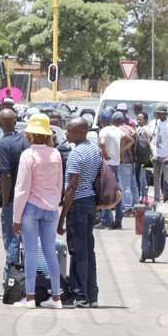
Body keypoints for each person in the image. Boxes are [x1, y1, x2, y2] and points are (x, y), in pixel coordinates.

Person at [12, 114, 65, 309]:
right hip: (51, 209)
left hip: (31, 208)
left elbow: (22, 188)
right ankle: (57, 297)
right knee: (51, 252)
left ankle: (30, 298)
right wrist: (54, 203)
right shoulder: (55, 154)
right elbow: (59, 184)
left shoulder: (28, 155)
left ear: (31, 134)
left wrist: (16, 217)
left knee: (31, 251)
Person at [58, 118, 101, 308]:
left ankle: (79, 295)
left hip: (78, 204)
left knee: (77, 251)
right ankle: (92, 295)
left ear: (83, 131)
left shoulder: (76, 154)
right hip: (90, 202)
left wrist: (62, 218)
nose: (66, 134)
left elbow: (71, 188)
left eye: (70, 131)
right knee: (88, 251)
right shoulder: (93, 148)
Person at [0, 107, 29, 296]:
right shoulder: (24, 141)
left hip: (12, 200)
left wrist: (5, 201)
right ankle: (26, 282)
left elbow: (5, 175)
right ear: (15, 122)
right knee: (25, 242)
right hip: (27, 199)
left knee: (12, 243)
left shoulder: (3, 145)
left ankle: (9, 282)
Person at [151, 106, 168, 203]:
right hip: (157, 153)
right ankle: (156, 199)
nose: (157, 115)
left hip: (165, 155)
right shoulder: (158, 122)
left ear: (164, 114)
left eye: (159, 113)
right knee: (156, 177)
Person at [135, 107, 152, 205]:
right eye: (137, 119)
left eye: (140, 119)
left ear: (145, 120)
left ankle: (144, 196)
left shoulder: (145, 130)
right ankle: (143, 196)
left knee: (142, 176)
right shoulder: (139, 128)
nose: (138, 121)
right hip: (141, 156)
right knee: (141, 176)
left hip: (143, 156)